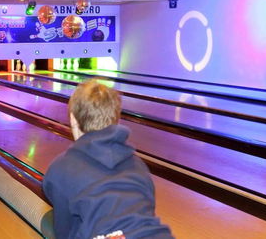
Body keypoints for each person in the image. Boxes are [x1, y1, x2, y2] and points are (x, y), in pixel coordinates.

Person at [43, 79, 173, 239]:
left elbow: (64, 231)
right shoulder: (138, 165)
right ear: (116, 120)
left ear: (73, 119)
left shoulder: (61, 168)